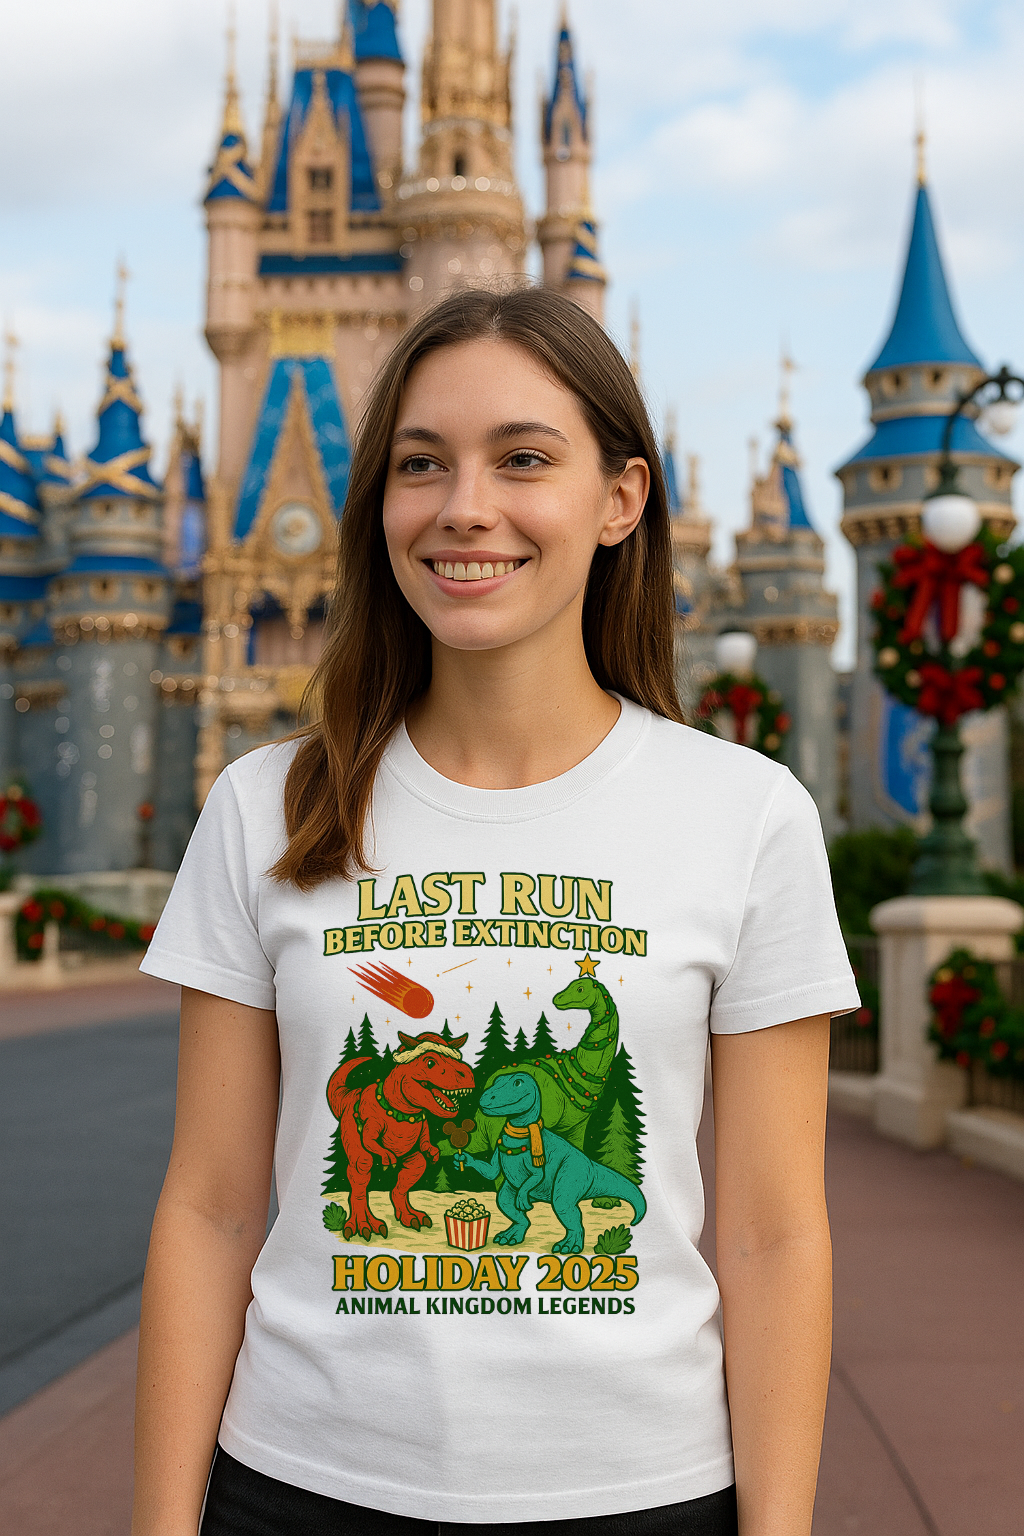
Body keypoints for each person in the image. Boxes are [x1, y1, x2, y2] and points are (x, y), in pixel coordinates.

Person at [133, 286, 859, 1536]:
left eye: (522, 458)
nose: (464, 507)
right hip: (302, 1487)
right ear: (381, 507)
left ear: (620, 499)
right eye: (422, 465)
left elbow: (773, 1233)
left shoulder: (744, 815)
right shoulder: (269, 807)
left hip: (641, 1492)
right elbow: (209, 1204)